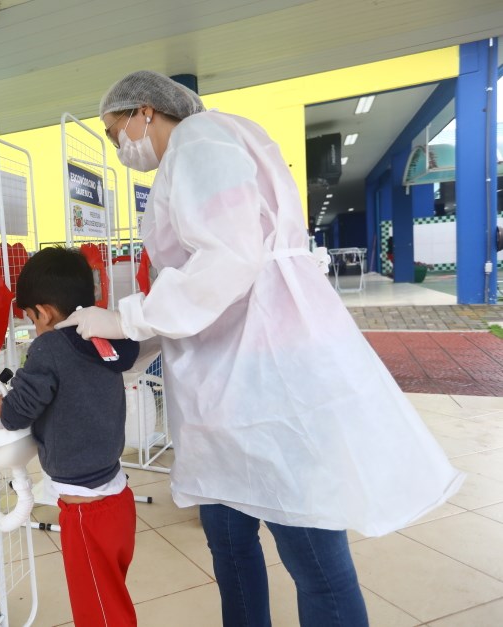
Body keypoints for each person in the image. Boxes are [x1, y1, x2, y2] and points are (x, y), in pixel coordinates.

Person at [58, 70, 464, 626]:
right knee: (232, 546)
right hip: (229, 381)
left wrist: (128, 317)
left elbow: (228, 258)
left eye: (114, 132)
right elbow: (206, 279)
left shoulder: (200, 139)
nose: (119, 147)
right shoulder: (212, 146)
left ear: (145, 111)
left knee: (312, 554)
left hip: (266, 381)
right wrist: (139, 343)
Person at [0, 246, 140, 626]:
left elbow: (19, 412)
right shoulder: (105, 340)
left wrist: (7, 405)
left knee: (100, 615)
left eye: (32, 318)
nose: (34, 327)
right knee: (111, 599)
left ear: (46, 312)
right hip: (117, 499)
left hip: (87, 514)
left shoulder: (49, 346)